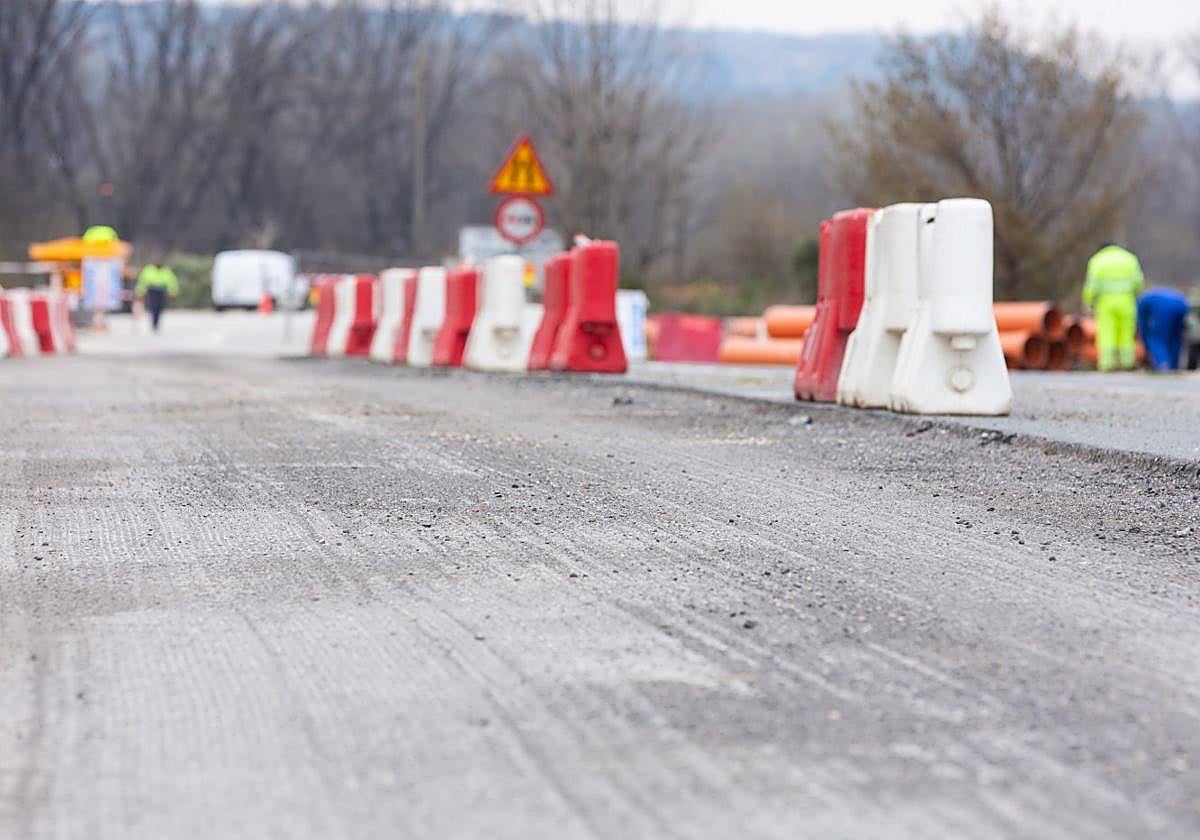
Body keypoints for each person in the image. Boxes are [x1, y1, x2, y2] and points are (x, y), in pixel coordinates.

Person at [1083, 242, 1144, 372]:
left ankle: (1107, 364)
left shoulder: (1097, 260)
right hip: (1126, 301)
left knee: (1106, 332)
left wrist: (1088, 301)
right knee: (1126, 333)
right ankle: (1127, 363)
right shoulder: (1129, 259)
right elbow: (1138, 283)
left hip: (1106, 303)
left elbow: (1092, 285)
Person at [1137, 287, 1189, 371]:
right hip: (1182, 302)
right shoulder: (1148, 297)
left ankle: (1163, 365)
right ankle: (1174, 366)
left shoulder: (1141, 302)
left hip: (1164, 306)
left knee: (1156, 339)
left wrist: (1145, 343)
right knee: (1175, 338)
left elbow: (1143, 324)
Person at [135, 260, 179, 332]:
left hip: (161, 291)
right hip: (152, 290)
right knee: (153, 307)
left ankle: (156, 323)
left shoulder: (166, 270)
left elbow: (172, 282)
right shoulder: (148, 269)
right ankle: (153, 323)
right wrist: (140, 292)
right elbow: (142, 282)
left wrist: (173, 291)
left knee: (160, 307)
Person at [1187, 287, 1200, 371]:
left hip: (1194, 336)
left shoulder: (1190, 305)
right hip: (1195, 335)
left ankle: (1191, 369)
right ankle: (1191, 369)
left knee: (1193, 352)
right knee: (1193, 352)